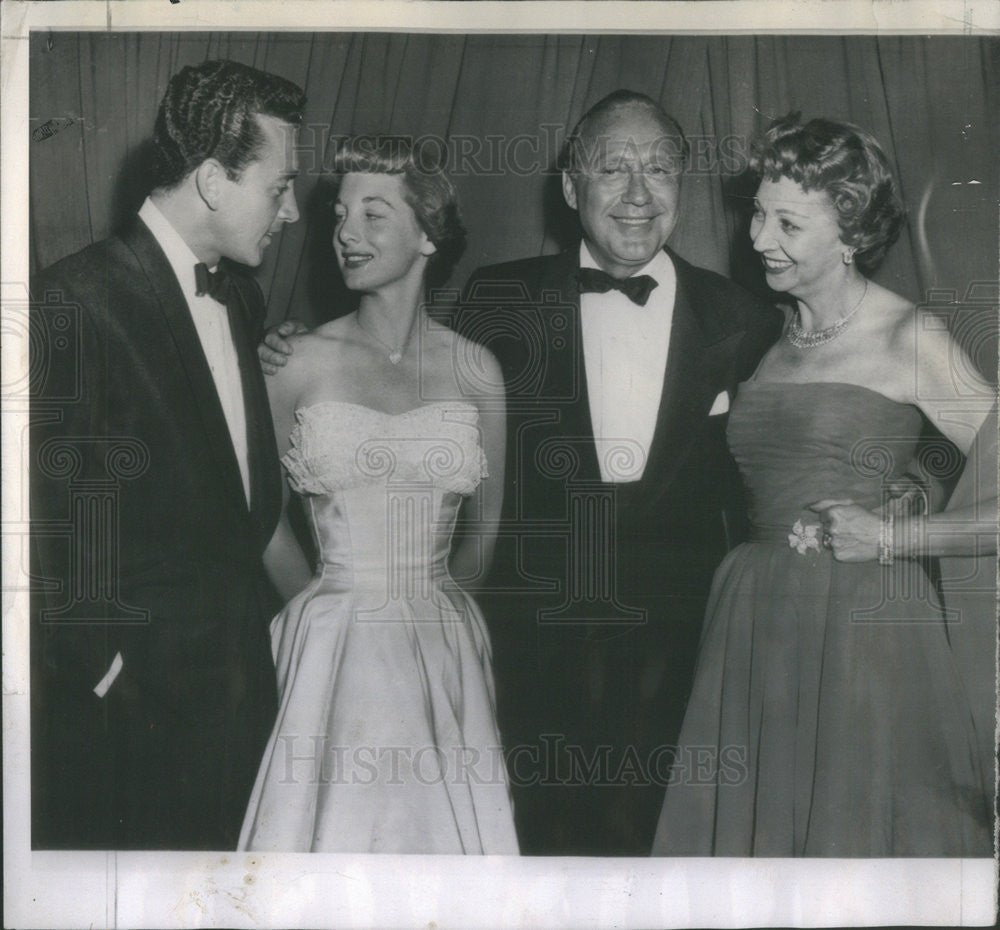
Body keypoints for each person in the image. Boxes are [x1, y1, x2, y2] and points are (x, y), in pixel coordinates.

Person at [261, 91, 781, 855]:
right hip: (532, 656)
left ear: (683, 183)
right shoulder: (500, 298)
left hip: (679, 655)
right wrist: (290, 345)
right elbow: (402, 380)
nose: (639, 193)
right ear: (571, 189)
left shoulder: (743, 317)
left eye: (660, 168)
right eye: (614, 168)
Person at [651, 115, 997, 857]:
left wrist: (897, 534)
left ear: (849, 230)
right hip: (750, 623)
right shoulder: (767, 334)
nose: (756, 238)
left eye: (786, 222)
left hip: (862, 635)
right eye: (756, 213)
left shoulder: (909, 338)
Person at [29, 60, 305, 849]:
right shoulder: (70, 303)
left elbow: (231, 491)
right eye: (278, 187)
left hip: (239, 697)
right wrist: (111, 682)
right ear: (215, 180)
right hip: (131, 722)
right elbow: (46, 540)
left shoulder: (243, 296)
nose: (289, 212)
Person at [237, 136, 517, 854]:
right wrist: (327, 611)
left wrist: (437, 615)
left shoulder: (477, 369)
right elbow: (261, 514)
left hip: (444, 644)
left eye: (373, 214)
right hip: (326, 644)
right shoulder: (291, 360)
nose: (345, 234)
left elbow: (486, 532)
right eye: (338, 214)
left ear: (428, 233)